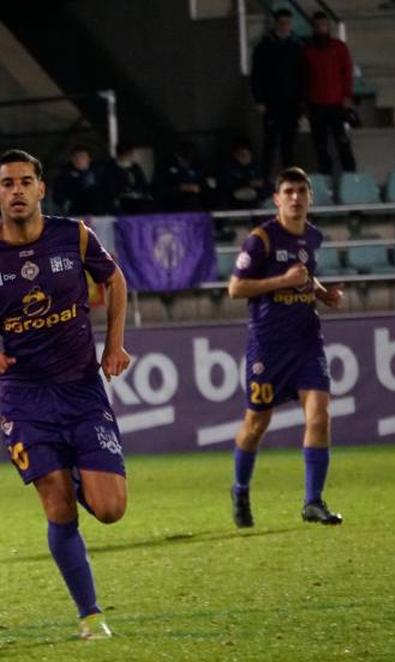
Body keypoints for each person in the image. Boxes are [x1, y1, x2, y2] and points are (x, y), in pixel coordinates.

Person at [0, 149, 132, 640]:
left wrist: (114, 345)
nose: (16, 190)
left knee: (112, 510)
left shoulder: (73, 236)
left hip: (80, 388)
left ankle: (79, 472)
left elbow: (114, 278)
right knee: (58, 507)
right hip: (26, 397)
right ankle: (90, 615)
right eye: (7, 182)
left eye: (25, 181)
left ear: (40, 189)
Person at [228, 167, 344, 529]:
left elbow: (305, 274)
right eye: (288, 192)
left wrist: (323, 293)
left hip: (307, 341)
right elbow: (236, 288)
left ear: (310, 197)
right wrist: (282, 280)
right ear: (277, 199)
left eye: (301, 191)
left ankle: (313, 501)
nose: (295, 198)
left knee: (320, 417)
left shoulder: (312, 237)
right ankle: (241, 489)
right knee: (256, 423)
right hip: (269, 346)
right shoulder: (260, 240)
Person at [251, 8, 304, 177]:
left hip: (292, 103)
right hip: (272, 102)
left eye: (287, 23)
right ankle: (266, 176)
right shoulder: (264, 47)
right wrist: (259, 99)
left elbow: (303, 76)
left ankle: (290, 175)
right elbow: (256, 75)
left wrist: (302, 101)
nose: (285, 26)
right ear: (275, 24)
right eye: (281, 23)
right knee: (270, 142)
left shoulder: (296, 47)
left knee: (289, 142)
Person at [303, 12, 357, 176]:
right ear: (313, 28)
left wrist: (347, 95)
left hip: (336, 102)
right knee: (320, 143)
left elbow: (347, 72)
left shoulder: (339, 47)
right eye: (318, 26)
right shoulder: (307, 50)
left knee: (342, 140)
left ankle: (350, 173)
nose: (321, 29)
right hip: (316, 103)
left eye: (324, 25)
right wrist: (305, 102)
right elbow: (303, 77)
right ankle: (325, 173)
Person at [154, 140, 208, 212]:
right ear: (177, 155)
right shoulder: (165, 166)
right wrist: (180, 188)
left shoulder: (197, 166)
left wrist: (198, 188)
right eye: (183, 157)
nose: (186, 162)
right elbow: (159, 189)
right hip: (171, 208)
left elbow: (205, 187)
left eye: (191, 155)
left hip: (193, 207)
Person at [52, 143, 105, 215]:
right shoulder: (64, 175)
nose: (79, 160)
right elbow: (58, 196)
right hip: (74, 212)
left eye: (82, 157)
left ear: (89, 159)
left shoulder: (98, 174)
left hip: (97, 214)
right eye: (75, 157)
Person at [218, 138, 270, 210]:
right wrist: (246, 183)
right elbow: (225, 185)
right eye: (242, 155)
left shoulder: (256, 167)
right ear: (235, 155)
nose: (246, 157)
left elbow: (265, 184)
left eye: (248, 154)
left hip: (254, 202)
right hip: (234, 203)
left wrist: (258, 188)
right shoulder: (228, 168)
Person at [103, 142, 154, 215]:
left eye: (129, 154)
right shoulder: (111, 168)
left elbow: (143, 184)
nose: (127, 156)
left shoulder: (135, 167)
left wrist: (141, 193)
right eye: (125, 154)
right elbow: (110, 189)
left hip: (137, 200)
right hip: (120, 201)